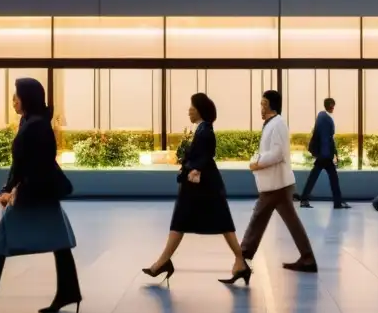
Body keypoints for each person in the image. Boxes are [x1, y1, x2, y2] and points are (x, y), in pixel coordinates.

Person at [0, 77, 81, 313]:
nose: (13, 100)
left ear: (28, 97)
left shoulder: (36, 125)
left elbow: (35, 164)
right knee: (59, 243)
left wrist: (13, 189)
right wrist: (8, 187)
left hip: (32, 194)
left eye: (16, 95)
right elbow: (21, 163)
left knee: (5, 239)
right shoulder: (30, 121)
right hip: (38, 193)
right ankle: (68, 292)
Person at [142, 93, 251, 286]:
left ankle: (163, 263)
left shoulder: (205, 131)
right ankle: (163, 262)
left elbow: (207, 154)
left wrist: (194, 168)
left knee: (189, 221)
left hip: (201, 186)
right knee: (197, 222)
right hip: (204, 185)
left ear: (199, 109)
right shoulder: (202, 129)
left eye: (191, 107)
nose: (188, 111)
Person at [240, 90, 317, 273]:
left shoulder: (278, 124)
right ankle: (307, 259)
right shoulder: (271, 124)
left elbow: (277, 153)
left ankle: (242, 258)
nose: (261, 107)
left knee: (258, 218)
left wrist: (257, 163)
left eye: (264, 104)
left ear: (272, 105)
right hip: (278, 183)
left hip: (277, 184)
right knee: (290, 222)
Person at [299, 98, 350, 210]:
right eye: (333, 105)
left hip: (323, 154)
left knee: (316, 176)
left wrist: (332, 153)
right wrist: (328, 155)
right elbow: (326, 138)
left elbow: (327, 138)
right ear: (331, 105)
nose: (333, 108)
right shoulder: (325, 118)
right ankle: (337, 203)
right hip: (325, 155)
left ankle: (304, 199)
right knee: (333, 178)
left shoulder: (322, 117)